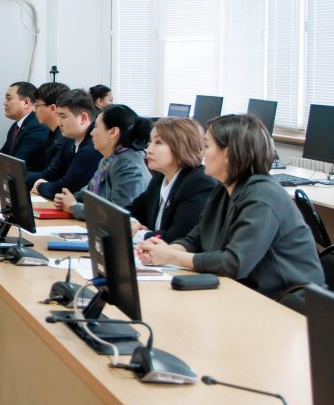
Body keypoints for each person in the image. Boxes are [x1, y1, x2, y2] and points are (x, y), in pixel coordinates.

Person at [136, 115, 324, 300]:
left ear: (227, 154)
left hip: (288, 302)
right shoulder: (222, 189)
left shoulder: (263, 196)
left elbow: (234, 263)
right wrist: (164, 249)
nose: (202, 153)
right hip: (246, 291)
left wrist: (171, 256)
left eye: (207, 146)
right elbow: (195, 239)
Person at [55, 104, 152, 221]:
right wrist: (66, 199)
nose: (91, 133)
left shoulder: (128, 166)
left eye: (96, 127)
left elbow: (118, 215)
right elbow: (88, 193)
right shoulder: (108, 159)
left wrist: (73, 207)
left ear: (113, 132)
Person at [126, 118, 217, 243]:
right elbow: (130, 211)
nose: (149, 149)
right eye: (150, 141)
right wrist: (131, 223)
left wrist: (136, 234)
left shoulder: (199, 183)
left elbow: (178, 237)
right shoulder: (160, 178)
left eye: (158, 142)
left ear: (181, 147)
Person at [30, 89, 101, 201]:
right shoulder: (69, 139)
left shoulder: (92, 147)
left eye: (63, 117)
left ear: (83, 118)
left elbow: (66, 188)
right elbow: (51, 174)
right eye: (58, 116)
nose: (59, 123)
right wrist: (15, 177)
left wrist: (40, 186)